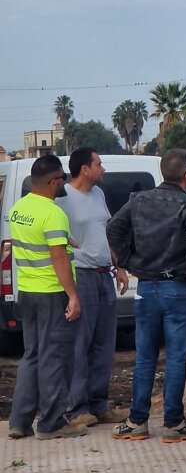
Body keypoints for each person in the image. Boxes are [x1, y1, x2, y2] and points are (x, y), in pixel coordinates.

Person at [106, 148, 186, 443]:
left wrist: (128, 260)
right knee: (176, 357)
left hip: (147, 288)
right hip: (177, 288)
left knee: (145, 357)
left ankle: (137, 421)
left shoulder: (138, 201)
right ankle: (174, 424)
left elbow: (113, 228)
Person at [8, 155, 85, 440]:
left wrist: (63, 240)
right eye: (62, 179)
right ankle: (52, 422)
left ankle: (19, 422)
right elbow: (58, 259)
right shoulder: (53, 213)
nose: (63, 183)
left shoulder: (19, 208)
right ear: (53, 182)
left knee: (32, 355)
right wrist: (73, 296)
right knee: (54, 357)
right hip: (51, 293)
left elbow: (38, 243)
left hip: (27, 291)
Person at [59, 148, 128, 427]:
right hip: (82, 276)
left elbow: (105, 231)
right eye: (99, 164)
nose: (104, 168)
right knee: (80, 344)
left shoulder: (98, 195)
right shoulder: (62, 197)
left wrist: (118, 266)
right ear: (84, 169)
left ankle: (99, 404)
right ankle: (76, 408)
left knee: (104, 343)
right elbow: (55, 238)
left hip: (104, 275)